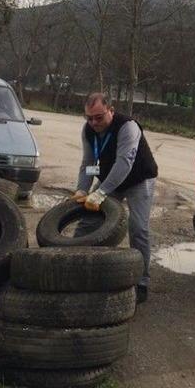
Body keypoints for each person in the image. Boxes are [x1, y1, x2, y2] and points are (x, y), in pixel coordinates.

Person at [72, 93, 158, 303]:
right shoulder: (89, 131)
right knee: (88, 221)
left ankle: (142, 282)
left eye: (99, 117)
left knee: (138, 228)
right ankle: (70, 265)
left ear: (111, 110)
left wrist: (101, 193)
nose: (93, 122)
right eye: (89, 118)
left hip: (138, 179)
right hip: (111, 179)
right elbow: (89, 163)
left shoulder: (128, 127)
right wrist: (82, 189)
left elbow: (124, 164)